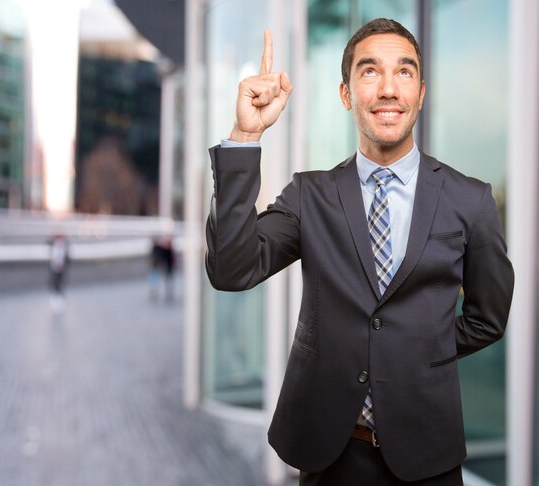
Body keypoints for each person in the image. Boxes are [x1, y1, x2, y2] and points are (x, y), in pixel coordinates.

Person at [205, 18, 514, 485]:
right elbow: (231, 268)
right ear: (347, 94)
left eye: (404, 73)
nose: (389, 88)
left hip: (428, 454)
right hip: (329, 453)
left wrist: (411, 349)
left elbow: (488, 318)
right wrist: (245, 136)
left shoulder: (470, 200)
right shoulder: (309, 195)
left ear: (421, 93)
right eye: (370, 72)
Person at [48, 233, 69, 312]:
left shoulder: (64, 245)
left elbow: (66, 257)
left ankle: (60, 299)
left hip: (62, 269)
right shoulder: (54, 244)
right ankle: (56, 299)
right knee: (55, 284)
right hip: (55, 269)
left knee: (60, 283)